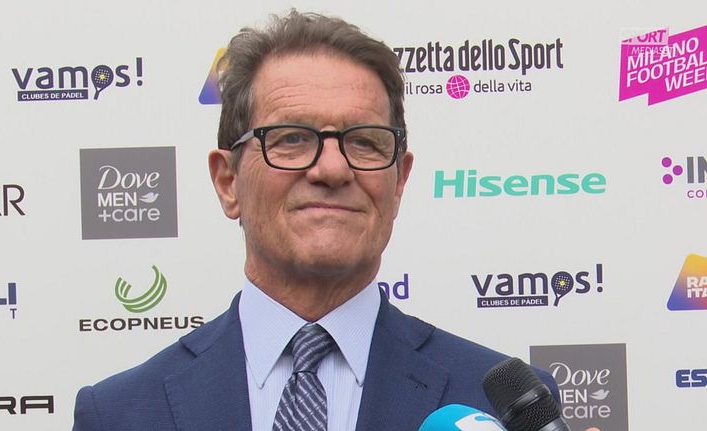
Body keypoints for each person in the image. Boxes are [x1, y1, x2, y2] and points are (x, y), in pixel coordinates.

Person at [73, 10, 557, 431]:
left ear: (398, 182)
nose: (332, 169)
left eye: (365, 142)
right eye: (291, 139)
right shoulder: (119, 414)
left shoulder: (504, 408)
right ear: (228, 181)